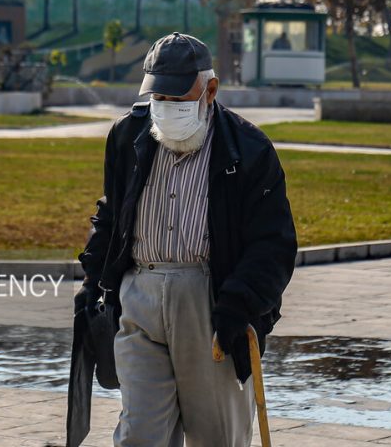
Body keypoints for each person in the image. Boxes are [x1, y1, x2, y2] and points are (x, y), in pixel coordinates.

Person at [74, 31, 297, 447]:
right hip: (140, 293)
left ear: (209, 90)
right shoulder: (128, 136)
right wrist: (94, 281)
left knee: (217, 437)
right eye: (159, 99)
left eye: (179, 100)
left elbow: (274, 243)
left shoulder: (247, 150)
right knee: (139, 436)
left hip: (210, 304)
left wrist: (239, 305)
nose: (167, 109)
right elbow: (113, 212)